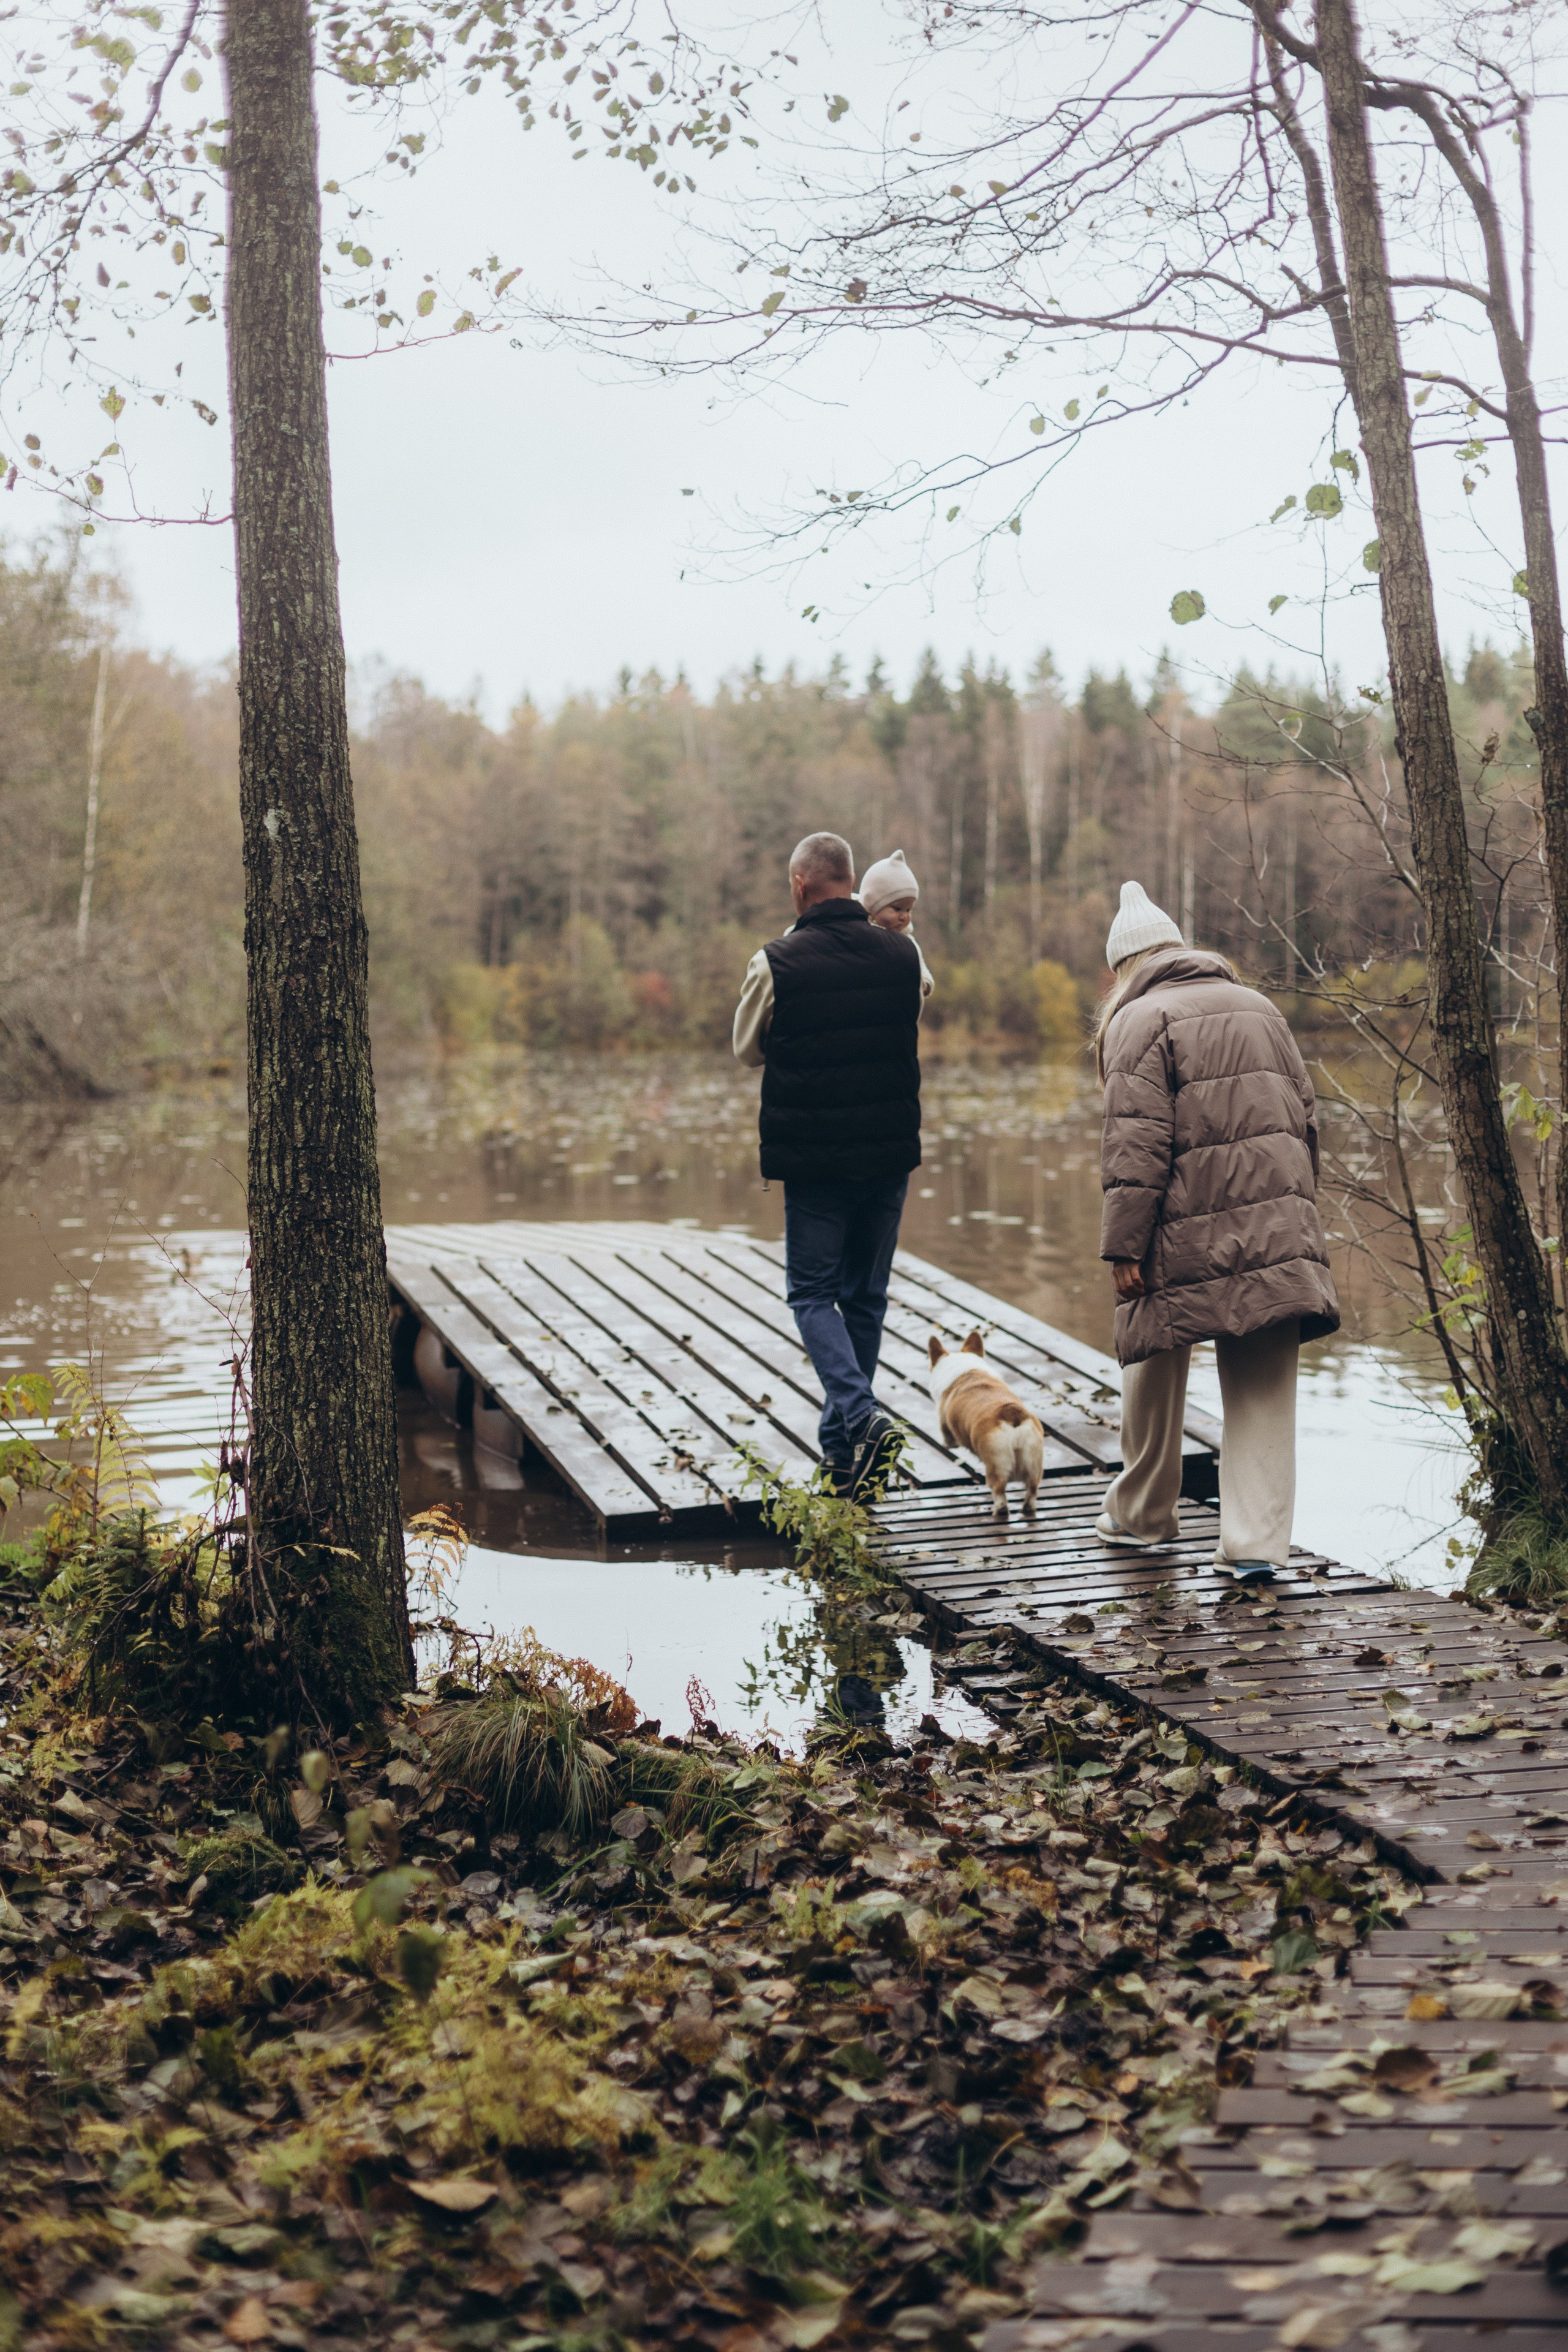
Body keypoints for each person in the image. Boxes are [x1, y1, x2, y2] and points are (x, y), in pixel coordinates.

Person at [1095, 880, 1340, 1583]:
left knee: (1150, 1354)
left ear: (1124, 970)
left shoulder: (1137, 1021)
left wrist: (1123, 1245)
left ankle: (1141, 1516)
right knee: (1263, 1382)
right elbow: (1306, 1123)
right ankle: (1255, 1546)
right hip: (1275, 1221)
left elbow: (1133, 1148)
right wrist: (1295, 1214)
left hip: (1177, 1231)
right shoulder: (1260, 1007)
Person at [733, 831, 924, 1496]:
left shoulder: (776, 960)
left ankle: (861, 1416)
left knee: (812, 1294)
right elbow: (915, 998)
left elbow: (747, 1051)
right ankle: (844, 1458)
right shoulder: (904, 955)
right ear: (852, 883)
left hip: (816, 1159)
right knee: (864, 1297)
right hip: (889, 1151)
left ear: (798, 885)